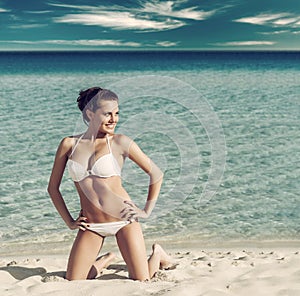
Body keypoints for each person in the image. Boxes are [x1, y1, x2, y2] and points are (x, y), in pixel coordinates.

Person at [47, 87, 173, 281]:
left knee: (142, 280)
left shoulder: (120, 142)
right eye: (107, 114)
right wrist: (70, 222)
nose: (114, 119)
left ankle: (157, 254)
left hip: (125, 221)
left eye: (117, 113)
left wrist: (146, 211)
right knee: (73, 280)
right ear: (90, 113)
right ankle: (106, 259)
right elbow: (53, 188)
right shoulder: (69, 144)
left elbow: (156, 174)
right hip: (91, 225)